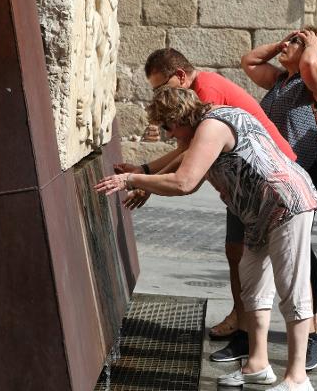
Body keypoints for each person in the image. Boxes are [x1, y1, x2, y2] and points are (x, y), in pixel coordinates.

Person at [96, 87, 317, 391]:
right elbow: (188, 171)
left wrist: (132, 179)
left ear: (178, 117)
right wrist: (147, 183)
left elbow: (184, 182)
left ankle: (297, 378)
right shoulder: (205, 129)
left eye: (167, 126)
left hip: (285, 204)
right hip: (257, 214)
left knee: (291, 287)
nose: (167, 134)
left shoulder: (213, 126)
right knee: (253, 286)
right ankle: (257, 364)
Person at [115, 48, 297, 355]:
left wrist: (145, 183)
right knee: (237, 252)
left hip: (269, 180)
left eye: (162, 87)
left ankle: (294, 333)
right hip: (246, 185)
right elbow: (185, 146)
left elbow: (191, 165)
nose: (160, 94)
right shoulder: (191, 99)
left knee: (285, 262)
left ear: (181, 77)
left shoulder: (207, 91)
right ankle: (246, 330)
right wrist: (147, 172)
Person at [241, 25, 317, 370]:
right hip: (273, 175)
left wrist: (311, 46)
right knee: (277, 245)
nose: (288, 46)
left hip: (304, 173)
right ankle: (273, 330)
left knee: (301, 249)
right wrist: (284, 45)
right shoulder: (281, 80)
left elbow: (313, 70)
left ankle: (312, 331)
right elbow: (249, 61)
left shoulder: (315, 82)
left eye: (296, 42)